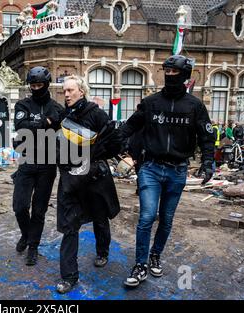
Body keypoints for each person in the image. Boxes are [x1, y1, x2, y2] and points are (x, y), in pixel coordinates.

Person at [118, 55, 215, 287]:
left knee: (167, 219)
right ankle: (140, 264)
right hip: (150, 168)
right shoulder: (151, 103)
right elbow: (130, 125)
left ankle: (155, 255)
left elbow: (206, 136)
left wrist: (208, 162)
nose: (170, 76)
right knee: (147, 216)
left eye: (175, 72)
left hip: (178, 171)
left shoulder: (195, 106)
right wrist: (119, 144)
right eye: (167, 72)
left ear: (185, 75)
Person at [55, 75, 122, 294]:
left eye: (70, 91)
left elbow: (116, 142)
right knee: (69, 227)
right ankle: (69, 276)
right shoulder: (63, 115)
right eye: (64, 91)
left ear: (81, 92)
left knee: (100, 219)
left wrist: (98, 155)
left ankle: (102, 252)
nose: (66, 95)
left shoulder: (96, 113)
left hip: (94, 177)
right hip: (71, 178)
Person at [12, 66, 63, 266]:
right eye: (32, 85)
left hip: (48, 165)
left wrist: (39, 124)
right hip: (26, 161)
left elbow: (62, 128)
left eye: (39, 85)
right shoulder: (22, 105)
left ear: (46, 84)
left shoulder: (57, 108)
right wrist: (46, 122)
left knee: (39, 211)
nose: (35, 88)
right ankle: (26, 234)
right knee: (20, 206)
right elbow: (21, 127)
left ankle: (33, 247)